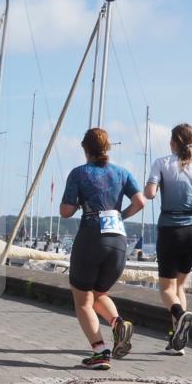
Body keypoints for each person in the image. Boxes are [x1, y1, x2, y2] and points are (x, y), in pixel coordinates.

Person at [59, 128, 145, 370]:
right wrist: (120, 216)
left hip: (91, 237)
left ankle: (99, 351)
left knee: (83, 300)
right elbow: (140, 202)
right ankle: (118, 323)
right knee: (99, 294)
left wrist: (76, 205)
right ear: (107, 148)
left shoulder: (79, 173)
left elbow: (65, 211)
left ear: (85, 149)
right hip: (118, 240)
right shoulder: (122, 172)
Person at [144, 123, 192, 356]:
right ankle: (177, 342)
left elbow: (149, 194)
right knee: (179, 287)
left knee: (166, 288)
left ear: (173, 143)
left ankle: (179, 316)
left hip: (170, 231)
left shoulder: (161, 163)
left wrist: (158, 185)